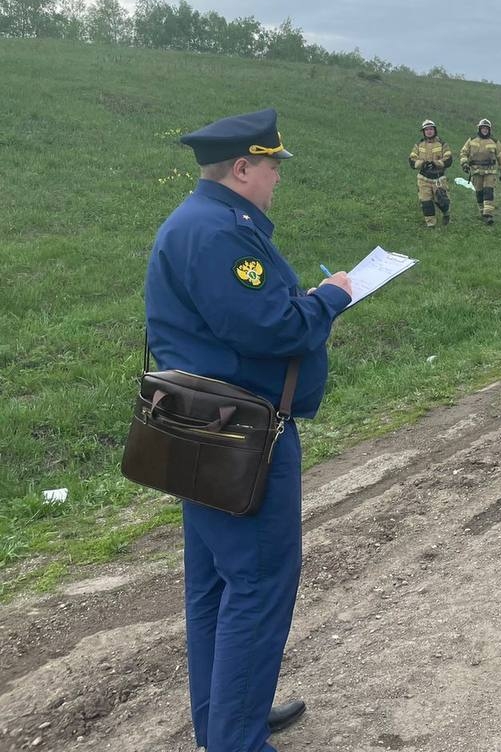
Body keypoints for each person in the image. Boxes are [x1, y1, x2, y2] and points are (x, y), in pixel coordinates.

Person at [144, 107, 353, 752]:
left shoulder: (203, 222)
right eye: (271, 166)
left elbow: (246, 314)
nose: (276, 179)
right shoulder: (218, 232)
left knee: (215, 584)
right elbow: (270, 328)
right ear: (242, 168)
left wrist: (302, 300)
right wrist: (331, 297)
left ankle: (228, 720)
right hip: (236, 435)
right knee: (257, 585)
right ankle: (235, 739)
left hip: (200, 428)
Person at [459, 117, 501, 224]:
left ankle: (488, 214)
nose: (485, 130)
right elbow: (463, 153)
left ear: (489, 130)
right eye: (483, 128)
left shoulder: (495, 142)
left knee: (488, 191)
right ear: (479, 129)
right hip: (476, 172)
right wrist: (464, 164)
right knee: (479, 192)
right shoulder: (471, 141)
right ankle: (482, 212)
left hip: (490, 172)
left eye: (486, 128)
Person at [408, 118, 453, 227]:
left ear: (435, 130)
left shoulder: (442, 144)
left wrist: (436, 163)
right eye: (426, 129)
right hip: (423, 178)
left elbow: (448, 160)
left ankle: (446, 213)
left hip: (438, 178)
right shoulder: (419, 145)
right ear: (424, 132)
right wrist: (422, 164)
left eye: (431, 129)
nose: (429, 131)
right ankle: (431, 225)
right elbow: (412, 160)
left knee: (442, 201)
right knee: (426, 202)